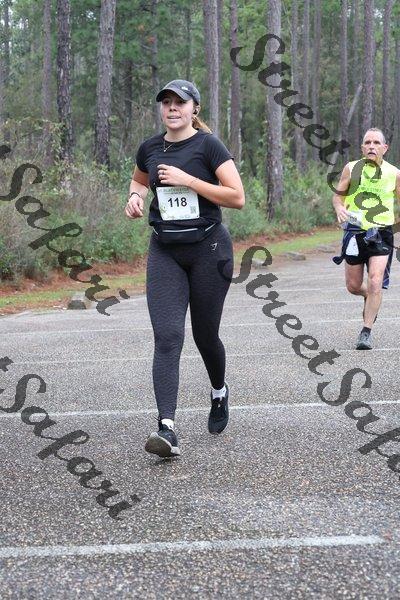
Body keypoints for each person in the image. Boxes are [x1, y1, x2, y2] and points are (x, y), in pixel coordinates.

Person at [125, 79, 245, 458]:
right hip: (165, 251)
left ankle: (219, 391)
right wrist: (134, 198)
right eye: (166, 102)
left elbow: (237, 197)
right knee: (167, 336)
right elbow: (139, 180)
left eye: (180, 102)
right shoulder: (149, 148)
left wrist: (187, 180)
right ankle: (167, 428)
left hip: (210, 249)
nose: (172, 108)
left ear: (195, 109)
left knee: (205, 335)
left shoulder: (209, 146)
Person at [332, 127, 400, 350]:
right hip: (354, 230)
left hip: (382, 233)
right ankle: (370, 297)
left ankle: (366, 332)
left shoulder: (394, 173)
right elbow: (338, 197)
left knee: (375, 281)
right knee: (353, 286)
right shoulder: (351, 168)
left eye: (376, 143)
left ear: (385, 148)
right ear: (362, 147)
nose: (372, 146)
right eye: (368, 142)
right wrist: (339, 208)